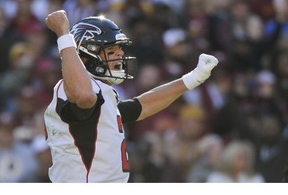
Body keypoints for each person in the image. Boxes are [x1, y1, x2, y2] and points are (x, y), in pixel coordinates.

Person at [43, 10, 219, 183]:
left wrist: (193, 78)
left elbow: (141, 106)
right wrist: (64, 35)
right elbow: (83, 96)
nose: (119, 54)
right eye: (111, 50)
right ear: (87, 55)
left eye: (119, 49)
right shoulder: (71, 88)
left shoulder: (102, 93)